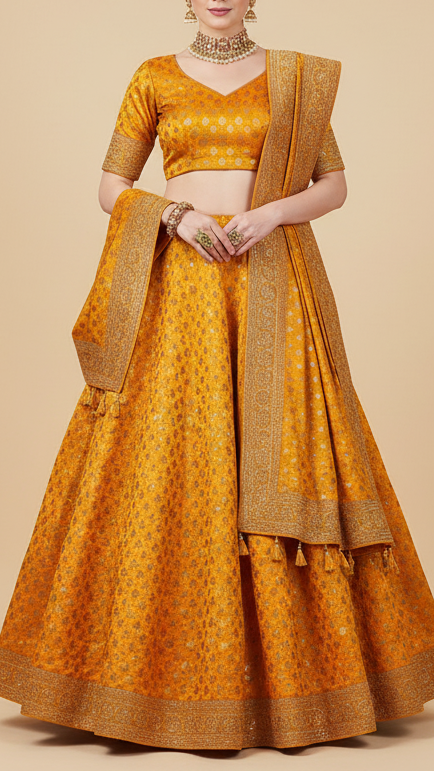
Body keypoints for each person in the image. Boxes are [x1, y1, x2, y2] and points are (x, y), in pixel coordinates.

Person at [0, 0, 433, 751]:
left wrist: (272, 216)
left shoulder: (294, 80)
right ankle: (132, 684)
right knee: (168, 456)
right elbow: (111, 186)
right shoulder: (154, 76)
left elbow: (334, 185)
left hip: (273, 277)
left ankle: (301, 689)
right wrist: (177, 218)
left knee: (287, 449)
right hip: (181, 285)